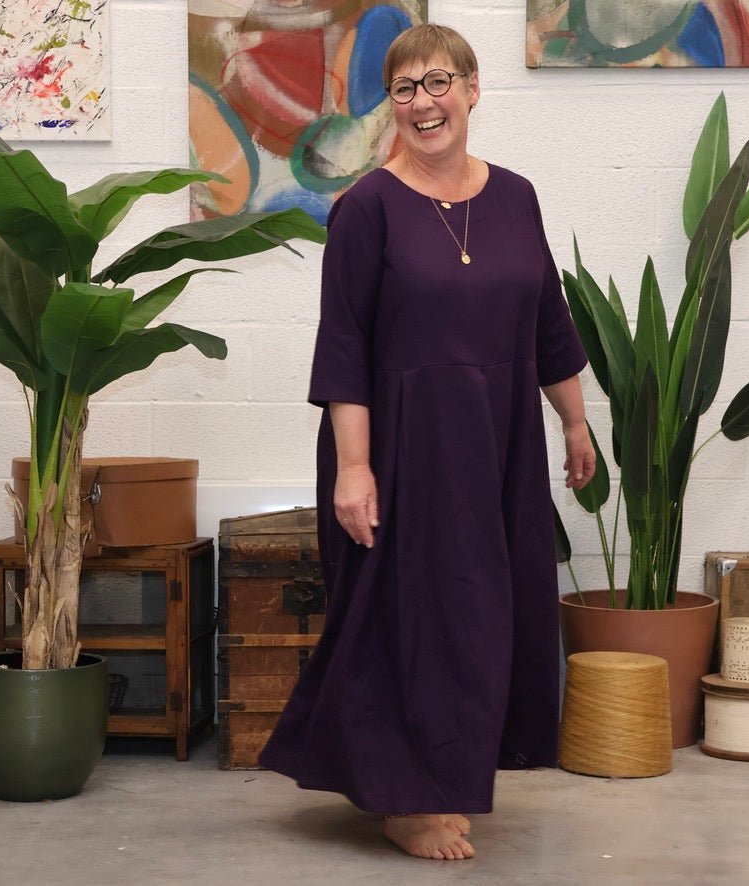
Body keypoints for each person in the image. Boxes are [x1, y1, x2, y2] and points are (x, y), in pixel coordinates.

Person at [258, 23, 595, 861]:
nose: (423, 102)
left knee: (480, 613)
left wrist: (574, 419)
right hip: (400, 448)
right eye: (405, 89)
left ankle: (445, 777)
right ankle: (406, 800)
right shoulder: (365, 209)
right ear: (393, 106)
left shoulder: (515, 197)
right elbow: (343, 347)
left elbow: (549, 321)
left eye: (439, 82)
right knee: (409, 618)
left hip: (497, 444)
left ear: (473, 90)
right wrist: (354, 468)